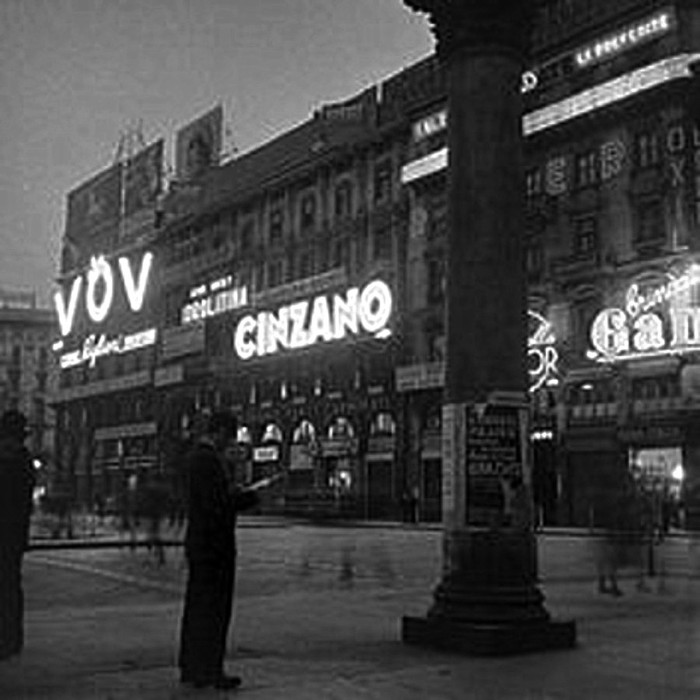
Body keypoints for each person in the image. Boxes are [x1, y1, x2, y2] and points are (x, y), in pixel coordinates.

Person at [178, 410, 274, 690]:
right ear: (219, 431)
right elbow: (219, 504)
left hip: (200, 543)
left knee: (197, 608)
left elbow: (212, 500)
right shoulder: (208, 460)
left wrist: (237, 492)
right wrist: (254, 495)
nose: (230, 442)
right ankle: (210, 670)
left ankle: (192, 667)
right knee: (215, 610)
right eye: (229, 436)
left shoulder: (195, 457)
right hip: (214, 546)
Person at [0, 410, 36, 660]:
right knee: (11, 585)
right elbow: (25, 503)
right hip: (15, 534)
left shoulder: (8, 459)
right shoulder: (25, 460)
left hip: (6, 532)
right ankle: (12, 638)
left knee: (7, 585)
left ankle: (7, 638)